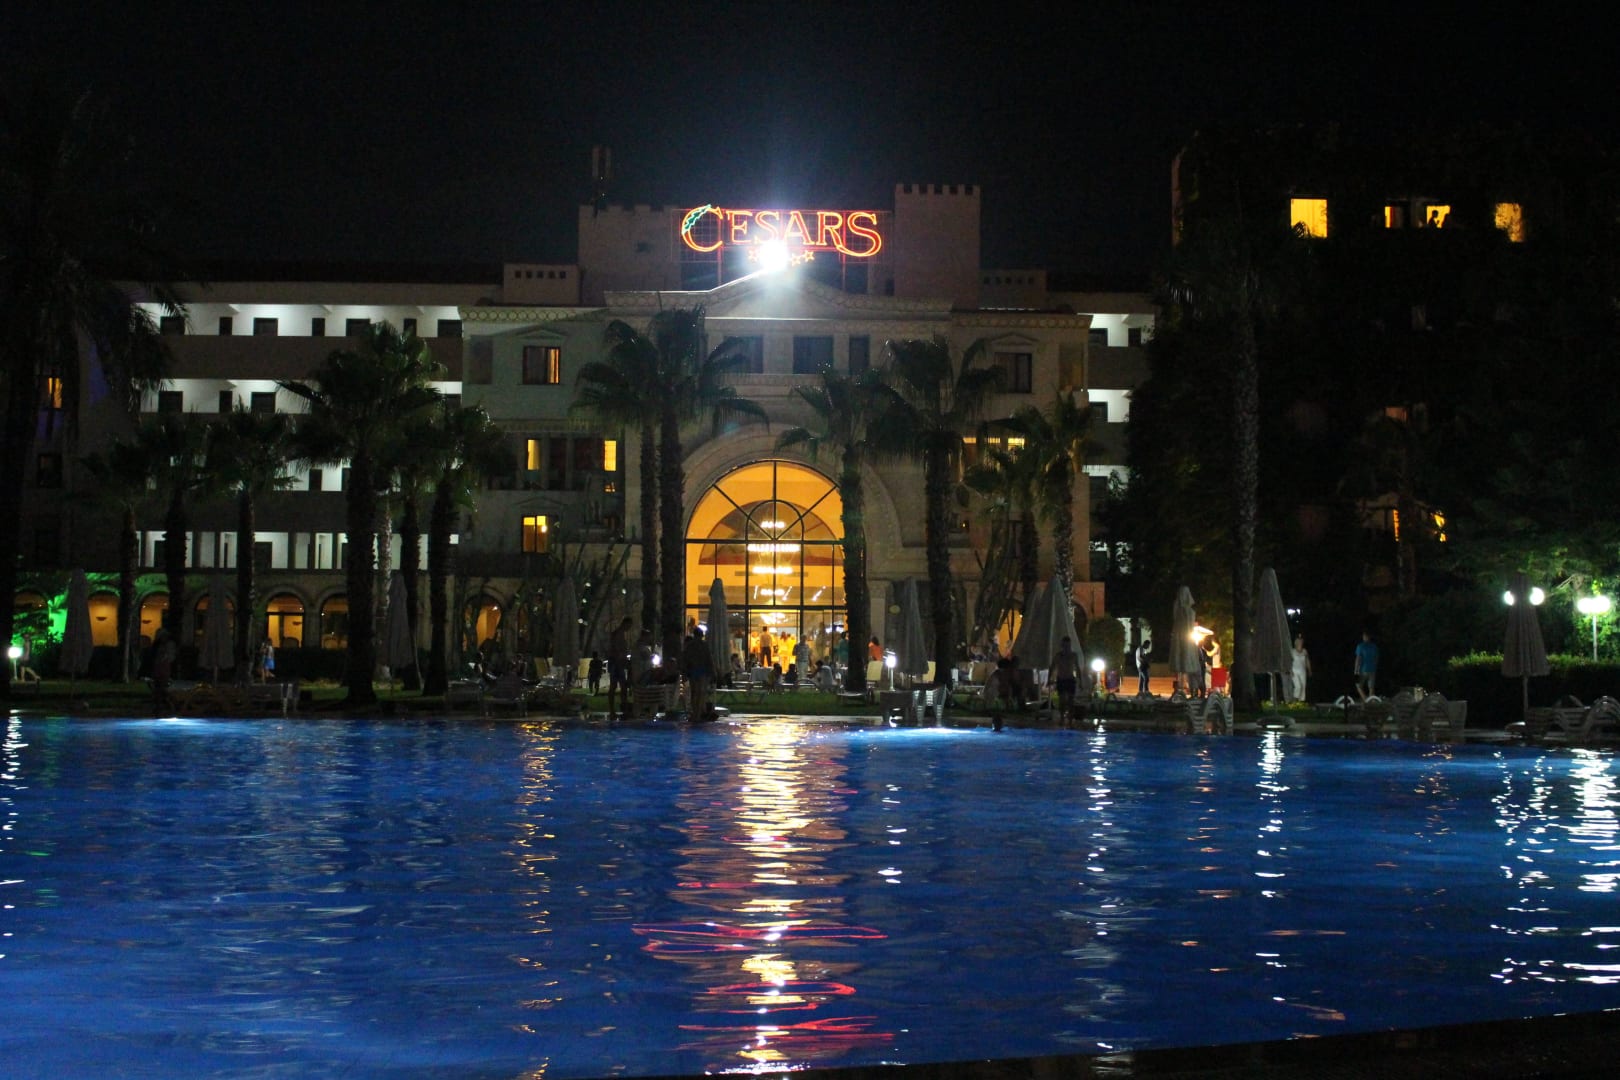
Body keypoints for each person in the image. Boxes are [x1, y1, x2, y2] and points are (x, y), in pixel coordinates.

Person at [681, 626, 714, 721]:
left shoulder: (690, 646)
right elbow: (709, 659)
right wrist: (712, 672)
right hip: (701, 670)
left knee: (695, 693)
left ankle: (695, 713)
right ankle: (698, 714)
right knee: (700, 693)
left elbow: (685, 659)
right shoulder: (704, 645)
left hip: (694, 670)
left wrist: (685, 671)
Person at [1050, 635, 1080, 721]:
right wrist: (1050, 678)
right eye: (1065, 646)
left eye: (1068, 646)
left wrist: (1080, 680)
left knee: (1071, 701)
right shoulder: (1058, 656)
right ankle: (1062, 718)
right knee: (1062, 700)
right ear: (1062, 646)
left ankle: (1069, 719)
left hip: (1070, 679)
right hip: (1061, 679)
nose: (1066, 648)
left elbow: (1077, 668)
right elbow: (1052, 667)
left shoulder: (1073, 655)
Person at [607, 617, 631, 716]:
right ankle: (616, 709)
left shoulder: (618, 634)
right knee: (618, 686)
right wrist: (621, 660)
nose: (629, 628)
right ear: (625, 624)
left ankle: (618, 709)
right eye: (629, 626)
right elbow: (616, 650)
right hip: (617, 663)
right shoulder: (618, 634)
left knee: (619, 686)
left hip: (617, 663)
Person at [151, 628, 178, 710]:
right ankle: (159, 703)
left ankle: (163, 703)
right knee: (158, 686)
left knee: (162, 686)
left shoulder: (168, 645)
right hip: (159, 667)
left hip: (164, 667)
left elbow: (170, 657)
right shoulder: (158, 645)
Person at [1354, 631, 1379, 700]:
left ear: (1364, 637)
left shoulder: (1360, 646)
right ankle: (1370, 702)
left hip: (1363, 670)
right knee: (1371, 687)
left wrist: (1356, 670)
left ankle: (1365, 700)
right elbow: (1376, 658)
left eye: (1364, 636)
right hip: (1372, 670)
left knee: (1358, 686)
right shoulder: (1374, 646)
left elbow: (1358, 659)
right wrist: (1374, 667)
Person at [1290, 634, 1312, 703]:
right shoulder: (1292, 651)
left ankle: (1301, 701)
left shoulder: (1305, 651)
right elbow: (1289, 662)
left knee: (1303, 686)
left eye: (1301, 641)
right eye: (1299, 641)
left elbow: (1307, 661)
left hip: (1303, 671)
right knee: (1298, 686)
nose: (1300, 642)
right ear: (1296, 642)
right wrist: (1290, 670)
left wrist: (1309, 670)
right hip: (1294, 671)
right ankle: (1295, 700)